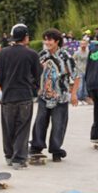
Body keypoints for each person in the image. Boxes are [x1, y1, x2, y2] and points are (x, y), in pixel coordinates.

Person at [0, 24, 40, 169]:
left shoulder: (3, 53)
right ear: (26, 37)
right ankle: (19, 159)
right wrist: (34, 88)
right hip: (24, 96)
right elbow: (37, 76)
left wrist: (6, 88)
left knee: (8, 127)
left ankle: (8, 156)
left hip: (8, 96)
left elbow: (0, 76)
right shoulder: (32, 54)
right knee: (22, 127)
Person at [31, 29, 76, 162]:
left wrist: (73, 94)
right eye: (45, 39)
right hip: (44, 95)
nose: (47, 42)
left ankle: (56, 150)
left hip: (60, 96)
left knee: (58, 124)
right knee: (40, 121)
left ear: (57, 41)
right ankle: (36, 147)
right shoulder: (42, 55)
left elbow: (77, 75)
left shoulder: (65, 56)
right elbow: (35, 73)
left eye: (50, 39)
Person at [73, 36, 91, 104]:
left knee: (86, 85)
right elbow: (73, 60)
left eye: (84, 44)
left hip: (87, 70)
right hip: (79, 71)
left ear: (86, 45)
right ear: (80, 45)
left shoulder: (88, 52)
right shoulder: (77, 52)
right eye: (82, 44)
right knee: (80, 85)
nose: (83, 45)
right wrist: (75, 67)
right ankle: (79, 98)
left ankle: (85, 97)